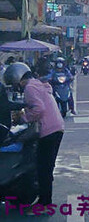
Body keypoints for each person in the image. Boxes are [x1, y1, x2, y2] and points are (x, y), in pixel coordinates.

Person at [5, 62, 64, 212]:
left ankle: (45, 203)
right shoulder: (37, 84)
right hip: (56, 128)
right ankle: (45, 200)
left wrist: (23, 119)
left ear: (18, 78)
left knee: (44, 167)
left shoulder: (30, 87)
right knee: (46, 167)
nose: (16, 86)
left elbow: (39, 108)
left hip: (48, 130)